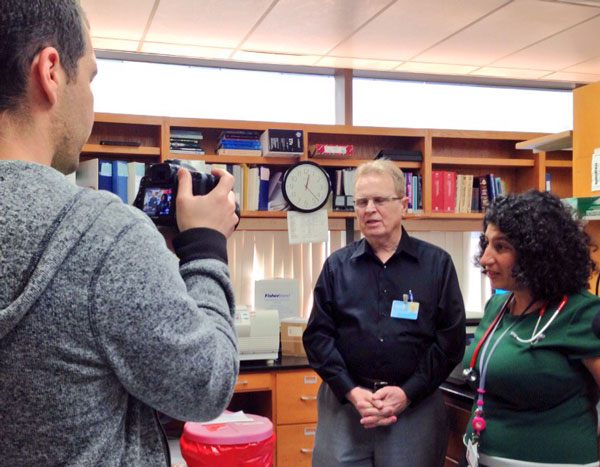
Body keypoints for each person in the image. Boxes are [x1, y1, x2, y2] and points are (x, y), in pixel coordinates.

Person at [0, 1, 239, 465]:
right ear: (50, 71)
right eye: (89, 76)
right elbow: (206, 385)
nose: (90, 97)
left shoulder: (109, 237)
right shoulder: (106, 236)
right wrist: (206, 246)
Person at [303, 159, 466, 466]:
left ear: (404, 204)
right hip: (346, 405)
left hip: (414, 406)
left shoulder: (436, 265)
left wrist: (407, 393)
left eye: (379, 200)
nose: (369, 209)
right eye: (362, 202)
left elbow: (450, 342)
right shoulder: (337, 266)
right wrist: (351, 391)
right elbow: (317, 337)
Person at [461, 189, 600, 466]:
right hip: (479, 457)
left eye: (501, 247)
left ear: (537, 252)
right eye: (486, 244)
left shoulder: (582, 313)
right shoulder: (497, 308)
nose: (486, 258)